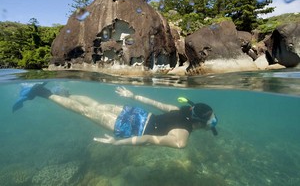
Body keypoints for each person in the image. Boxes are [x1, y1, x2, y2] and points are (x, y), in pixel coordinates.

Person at [13, 83, 218, 149]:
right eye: (212, 120)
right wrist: (116, 142)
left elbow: (156, 104)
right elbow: (149, 138)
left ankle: (63, 93)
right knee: (85, 111)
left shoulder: (181, 109)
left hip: (136, 113)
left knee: (97, 105)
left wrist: (133, 95)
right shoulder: (182, 139)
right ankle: (40, 91)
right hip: (131, 128)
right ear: (201, 123)